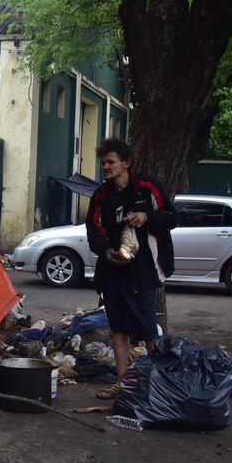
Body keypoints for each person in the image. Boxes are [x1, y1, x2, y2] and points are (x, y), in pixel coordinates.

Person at [85, 138, 177, 399]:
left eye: (111, 162)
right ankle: (122, 383)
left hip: (144, 270)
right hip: (113, 269)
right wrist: (106, 252)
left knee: (148, 328)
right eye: (103, 163)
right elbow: (93, 231)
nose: (106, 167)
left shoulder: (147, 187)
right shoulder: (101, 196)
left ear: (126, 163)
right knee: (118, 327)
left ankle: (156, 386)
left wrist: (147, 217)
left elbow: (172, 217)